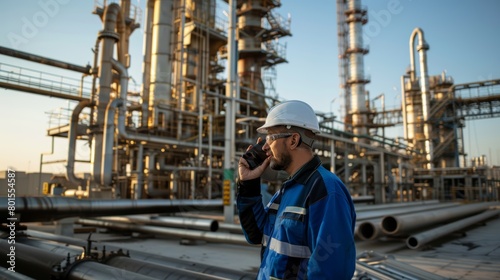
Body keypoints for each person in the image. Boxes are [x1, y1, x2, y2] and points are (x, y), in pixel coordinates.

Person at [236, 100, 356, 279]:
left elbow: (331, 271)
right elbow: (255, 235)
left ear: (293, 140)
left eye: (270, 137)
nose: (265, 147)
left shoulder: (325, 191)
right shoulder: (287, 190)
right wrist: (248, 185)